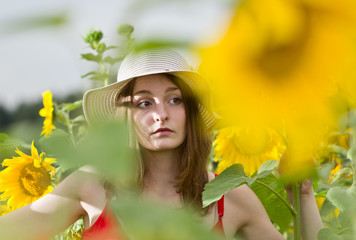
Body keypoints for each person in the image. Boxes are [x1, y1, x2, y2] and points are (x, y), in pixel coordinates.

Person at [0, 48, 323, 240]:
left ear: (191, 111)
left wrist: (305, 193)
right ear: (125, 116)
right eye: (144, 103)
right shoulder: (93, 185)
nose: (161, 115)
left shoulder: (230, 197)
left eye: (175, 100)